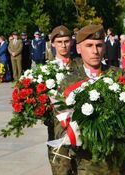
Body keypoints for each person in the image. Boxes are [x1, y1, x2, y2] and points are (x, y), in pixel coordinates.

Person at [60, 24, 125, 175]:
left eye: (99, 45)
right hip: (87, 162)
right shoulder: (69, 82)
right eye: (89, 45)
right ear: (79, 49)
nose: (95, 51)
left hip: (117, 162)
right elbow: (63, 130)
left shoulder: (118, 75)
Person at [46, 25, 77, 175]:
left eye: (66, 41)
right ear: (52, 43)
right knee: (60, 168)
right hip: (57, 128)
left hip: (79, 126)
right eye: (59, 42)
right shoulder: (44, 71)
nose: (63, 45)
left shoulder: (80, 67)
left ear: (71, 42)